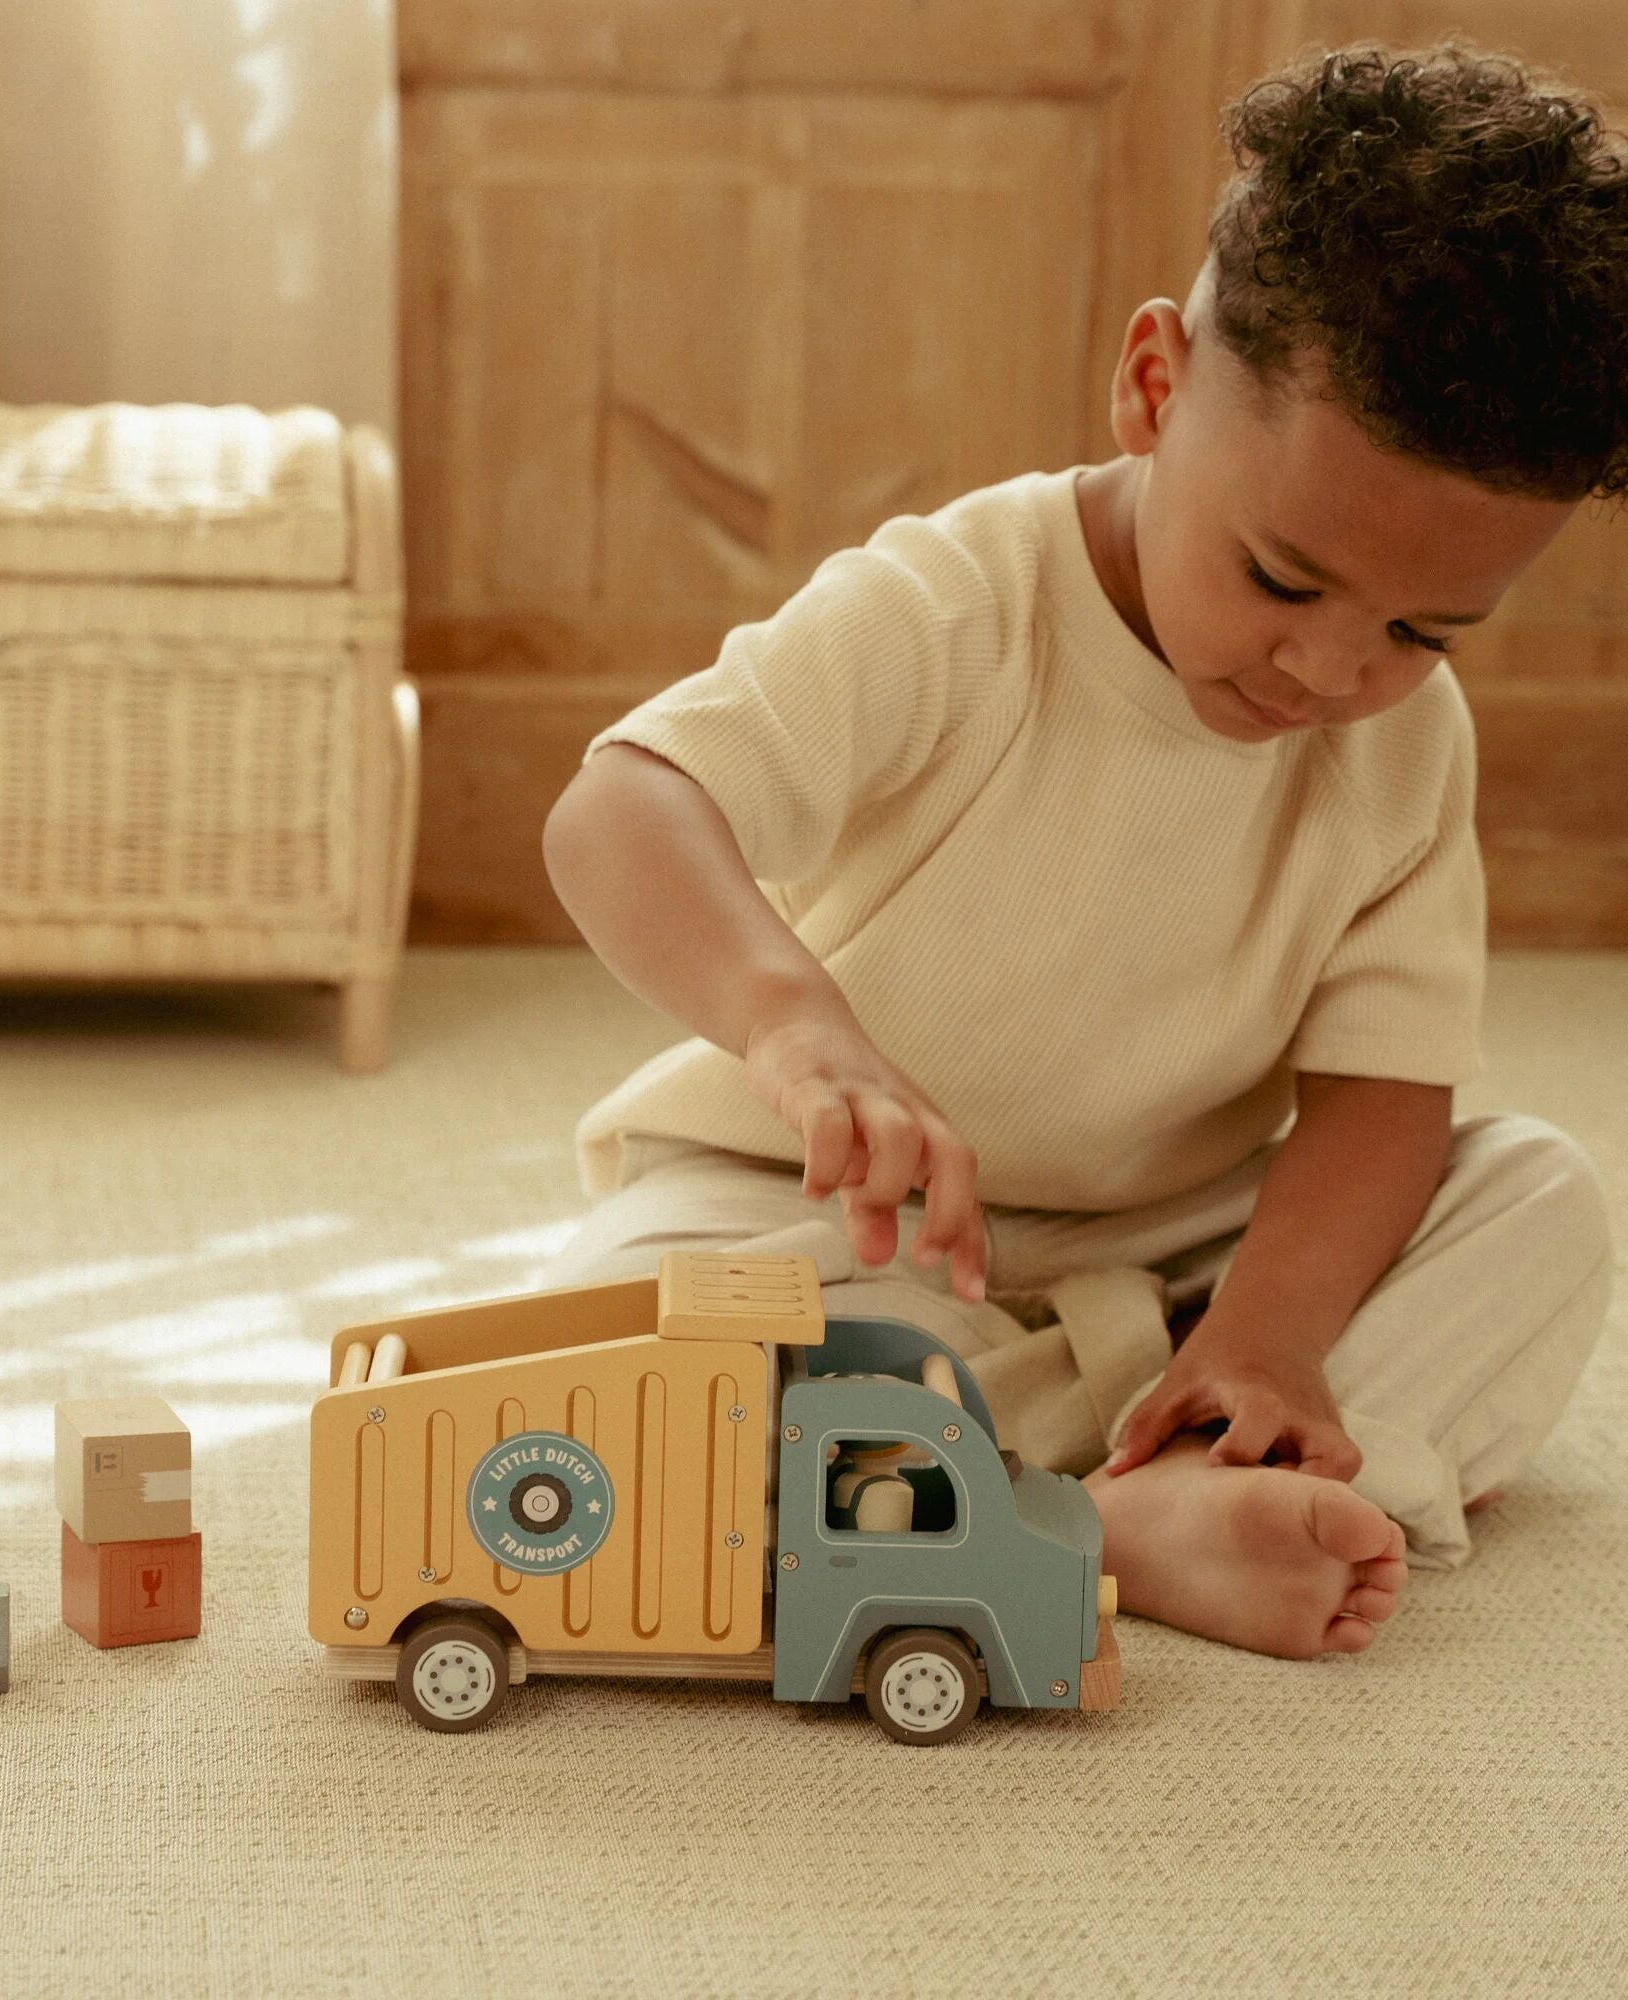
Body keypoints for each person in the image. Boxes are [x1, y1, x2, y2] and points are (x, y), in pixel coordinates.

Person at [536, 41, 1623, 1660]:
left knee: (1536, 1196)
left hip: (1183, 1251)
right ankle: (1123, 1514)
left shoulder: (1404, 742)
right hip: (838, 1228)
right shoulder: (960, 605)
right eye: (1277, 576)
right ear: (1154, 383)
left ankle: (1208, 1446)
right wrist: (797, 1025)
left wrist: (1268, 1334)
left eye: (1422, 628)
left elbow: (1384, 1094)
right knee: (602, 1377)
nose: (1329, 671)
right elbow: (620, 807)